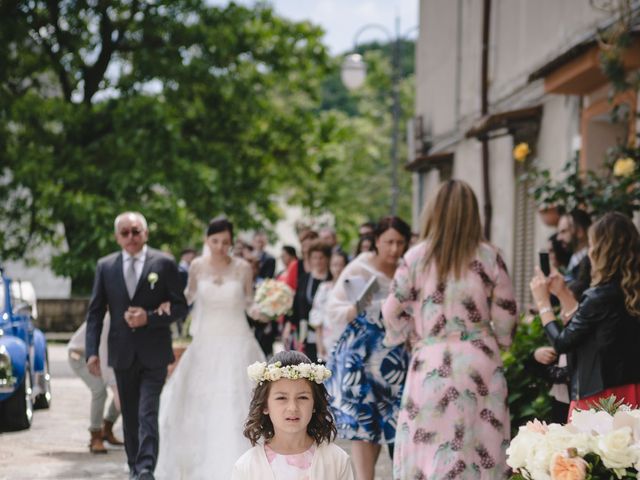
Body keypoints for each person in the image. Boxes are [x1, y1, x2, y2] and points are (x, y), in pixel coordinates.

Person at [382, 180, 517, 479]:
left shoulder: (416, 257)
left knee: (428, 450)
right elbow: (506, 317)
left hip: (431, 359)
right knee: (483, 452)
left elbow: (390, 310)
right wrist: (502, 341)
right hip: (480, 359)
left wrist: (412, 334)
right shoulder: (490, 256)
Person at [156, 216, 266, 479]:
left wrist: (263, 310)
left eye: (225, 242)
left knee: (238, 396)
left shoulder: (243, 268)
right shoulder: (196, 266)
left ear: (231, 242)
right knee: (197, 399)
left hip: (237, 339)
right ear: (207, 240)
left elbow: (249, 302)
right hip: (205, 341)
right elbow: (188, 297)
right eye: (215, 241)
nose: (220, 246)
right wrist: (164, 304)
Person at [85, 211, 188, 480]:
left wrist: (149, 318)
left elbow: (180, 307)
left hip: (154, 352)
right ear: (117, 237)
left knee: (147, 412)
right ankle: (134, 467)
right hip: (122, 353)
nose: (131, 237)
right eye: (125, 232)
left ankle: (145, 469)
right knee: (130, 416)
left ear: (146, 233)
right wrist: (92, 352)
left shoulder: (164, 263)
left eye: (136, 231)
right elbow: (95, 312)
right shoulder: (105, 266)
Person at [530, 211, 640, 419]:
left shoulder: (599, 295)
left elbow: (563, 343)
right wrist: (562, 292)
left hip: (602, 397)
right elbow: (588, 332)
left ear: (601, 250)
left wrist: (543, 303)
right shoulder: (629, 292)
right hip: (634, 391)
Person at [325, 216, 412, 480]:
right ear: (376, 241)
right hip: (362, 355)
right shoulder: (359, 267)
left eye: (400, 242)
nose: (394, 249)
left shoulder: (407, 269)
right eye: (389, 242)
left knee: (392, 421)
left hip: (396, 356)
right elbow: (333, 308)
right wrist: (356, 308)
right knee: (365, 424)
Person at [232, 350, 354, 479]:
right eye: (281, 398)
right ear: (265, 405)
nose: (292, 408)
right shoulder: (246, 467)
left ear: (314, 404)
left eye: (302, 397)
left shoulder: (336, 460)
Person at [68, 314, 123, 454]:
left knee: (124, 390)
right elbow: (104, 352)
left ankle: (107, 429)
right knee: (100, 391)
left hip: (100, 356)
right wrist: (113, 384)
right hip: (79, 355)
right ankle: (95, 435)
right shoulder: (109, 319)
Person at [283, 240, 332, 362]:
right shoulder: (305, 278)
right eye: (314, 258)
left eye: (321, 258)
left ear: (327, 259)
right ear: (310, 260)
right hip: (306, 331)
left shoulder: (332, 278)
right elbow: (296, 304)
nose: (318, 261)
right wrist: (289, 325)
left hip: (327, 332)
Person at [309, 251, 349, 361]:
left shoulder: (352, 288)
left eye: (341, 265)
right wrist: (319, 343)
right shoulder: (324, 288)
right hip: (328, 338)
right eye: (335, 265)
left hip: (349, 338)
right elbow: (317, 316)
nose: (338, 269)